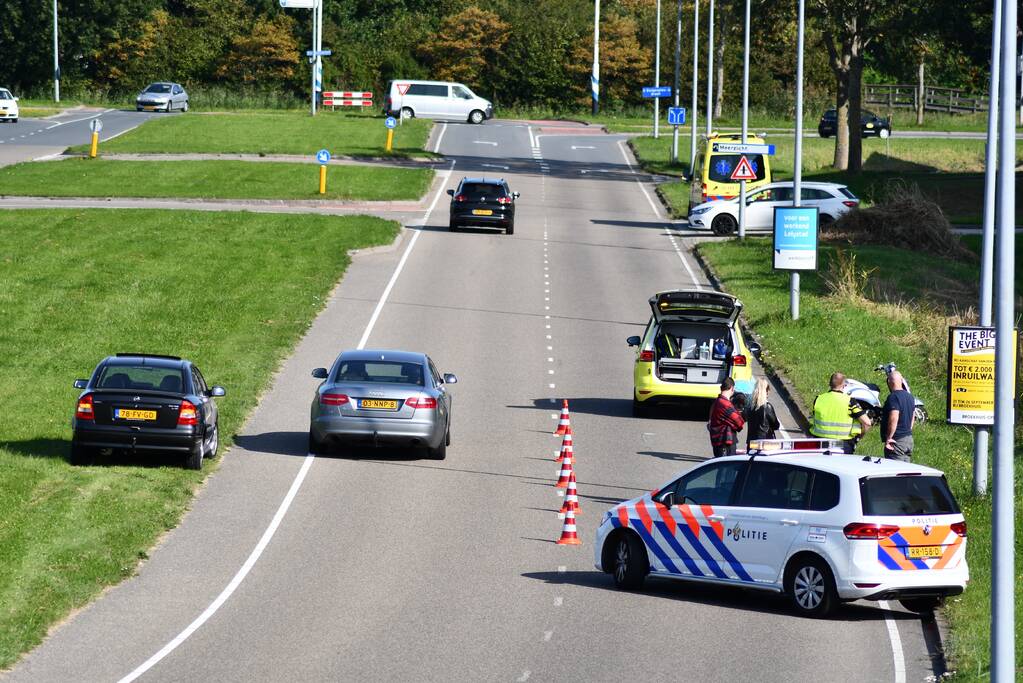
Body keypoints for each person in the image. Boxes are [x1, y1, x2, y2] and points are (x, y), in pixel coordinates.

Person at [810, 372, 871, 454]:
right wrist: (859, 437)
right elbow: (867, 423)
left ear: (829, 384)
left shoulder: (818, 399)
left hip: (819, 441)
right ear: (844, 385)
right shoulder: (850, 401)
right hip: (842, 444)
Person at [881, 370, 915, 462]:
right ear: (901, 381)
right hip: (908, 439)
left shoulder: (893, 397)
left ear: (889, 382)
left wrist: (889, 438)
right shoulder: (910, 397)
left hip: (896, 441)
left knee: (895, 472)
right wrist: (908, 431)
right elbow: (912, 417)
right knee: (905, 472)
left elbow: (893, 418)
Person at [708, 377, 745, 457]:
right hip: (725, 444)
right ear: (732, 388)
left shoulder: (717, 401)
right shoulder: (725, 404)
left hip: (718, 443)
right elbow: (739, 423)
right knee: (726, 468)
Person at [746, 377, 781, 448]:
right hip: (766, 442)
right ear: (766, 391)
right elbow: (776, 425)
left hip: (752, 442)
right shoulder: (767, 407)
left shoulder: (750, 406)